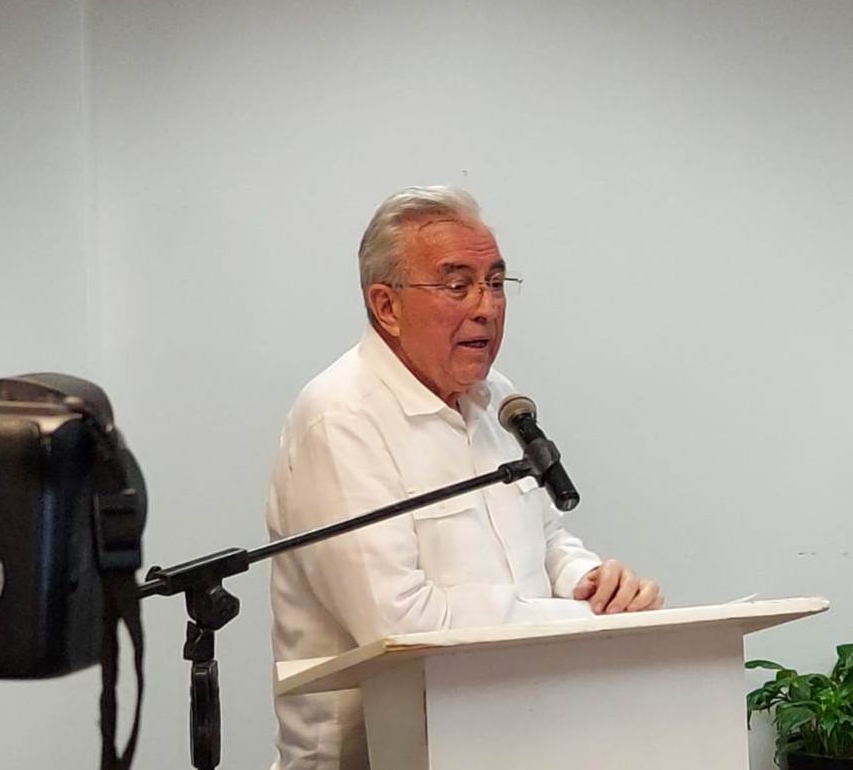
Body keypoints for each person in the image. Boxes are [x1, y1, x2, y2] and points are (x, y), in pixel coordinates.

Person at [265, 186, 662, 770]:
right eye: (458, 286)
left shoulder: (496, 397)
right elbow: (397, 626)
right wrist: (583, 624)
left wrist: (592, 583)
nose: (486, 307)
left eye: (496, 283)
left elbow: (545, 540)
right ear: (386, 306)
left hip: (518, 739)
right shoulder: (339, 418)